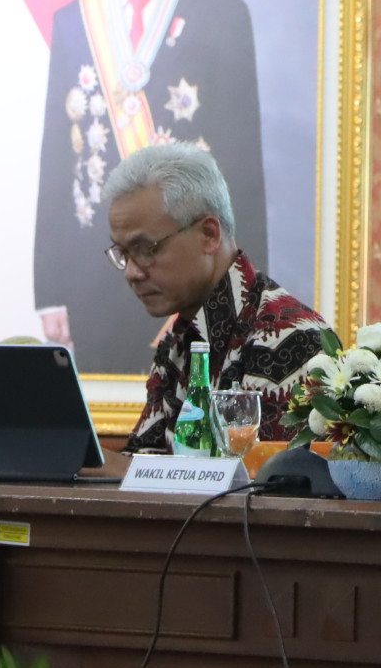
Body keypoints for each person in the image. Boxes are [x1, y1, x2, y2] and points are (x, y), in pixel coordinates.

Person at [36, 0, 267, 377]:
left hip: (191, 271)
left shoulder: (222, 16)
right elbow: (57, 160)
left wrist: (244, 286)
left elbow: (242, 165)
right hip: (94, 276)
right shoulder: (74, 22)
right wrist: (50, 290)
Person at [103, 143, 326, 453]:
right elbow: (143, 460)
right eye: (123, 253)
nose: (131, 272)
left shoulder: (287, 338)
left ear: (209, 234)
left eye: (145, 249)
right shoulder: (182, 338)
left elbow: (259, 478)